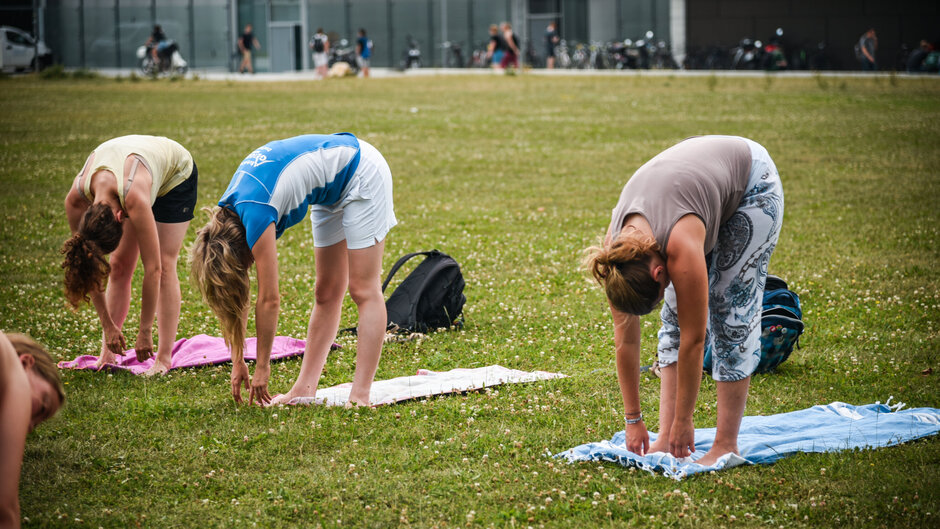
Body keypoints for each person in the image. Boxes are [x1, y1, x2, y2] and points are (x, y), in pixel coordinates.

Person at [584, 136, 784, 467]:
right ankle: (664, 436)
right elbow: (626, 343)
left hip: (751, 184)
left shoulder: (679, 244)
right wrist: (633, 420)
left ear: (660, 272)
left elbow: (694, 340)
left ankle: (726, 444)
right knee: (672, 320)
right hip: (691, 190)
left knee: (731, 310)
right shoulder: (616, 260)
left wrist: (685, 421)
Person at [190, 133, 396, 406]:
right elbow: (234, 299)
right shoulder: (228, 213)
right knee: (326, 292)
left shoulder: (257, 213)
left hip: (361, 171)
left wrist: (262, 367)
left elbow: (269, 299)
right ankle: (303, 388)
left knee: (363, 289)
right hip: (329, 191)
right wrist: (237, 360)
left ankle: (360, 395)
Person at [62, 135, 198, 376]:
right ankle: (108, 353)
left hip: (174, 175)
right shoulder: (76, 200)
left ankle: (164, 360)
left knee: (165, 265)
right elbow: (86, 265)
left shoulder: (133, 197)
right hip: (134, 167)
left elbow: (153, 269)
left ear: (119, 217)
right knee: (120, 266)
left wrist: (145, 330)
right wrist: (108, 325)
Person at [0, 332, 65, 529]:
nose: (27, 427)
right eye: (42, 408)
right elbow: (5, 510)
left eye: (35, 425)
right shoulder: (13, 371)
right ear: (26, 363)